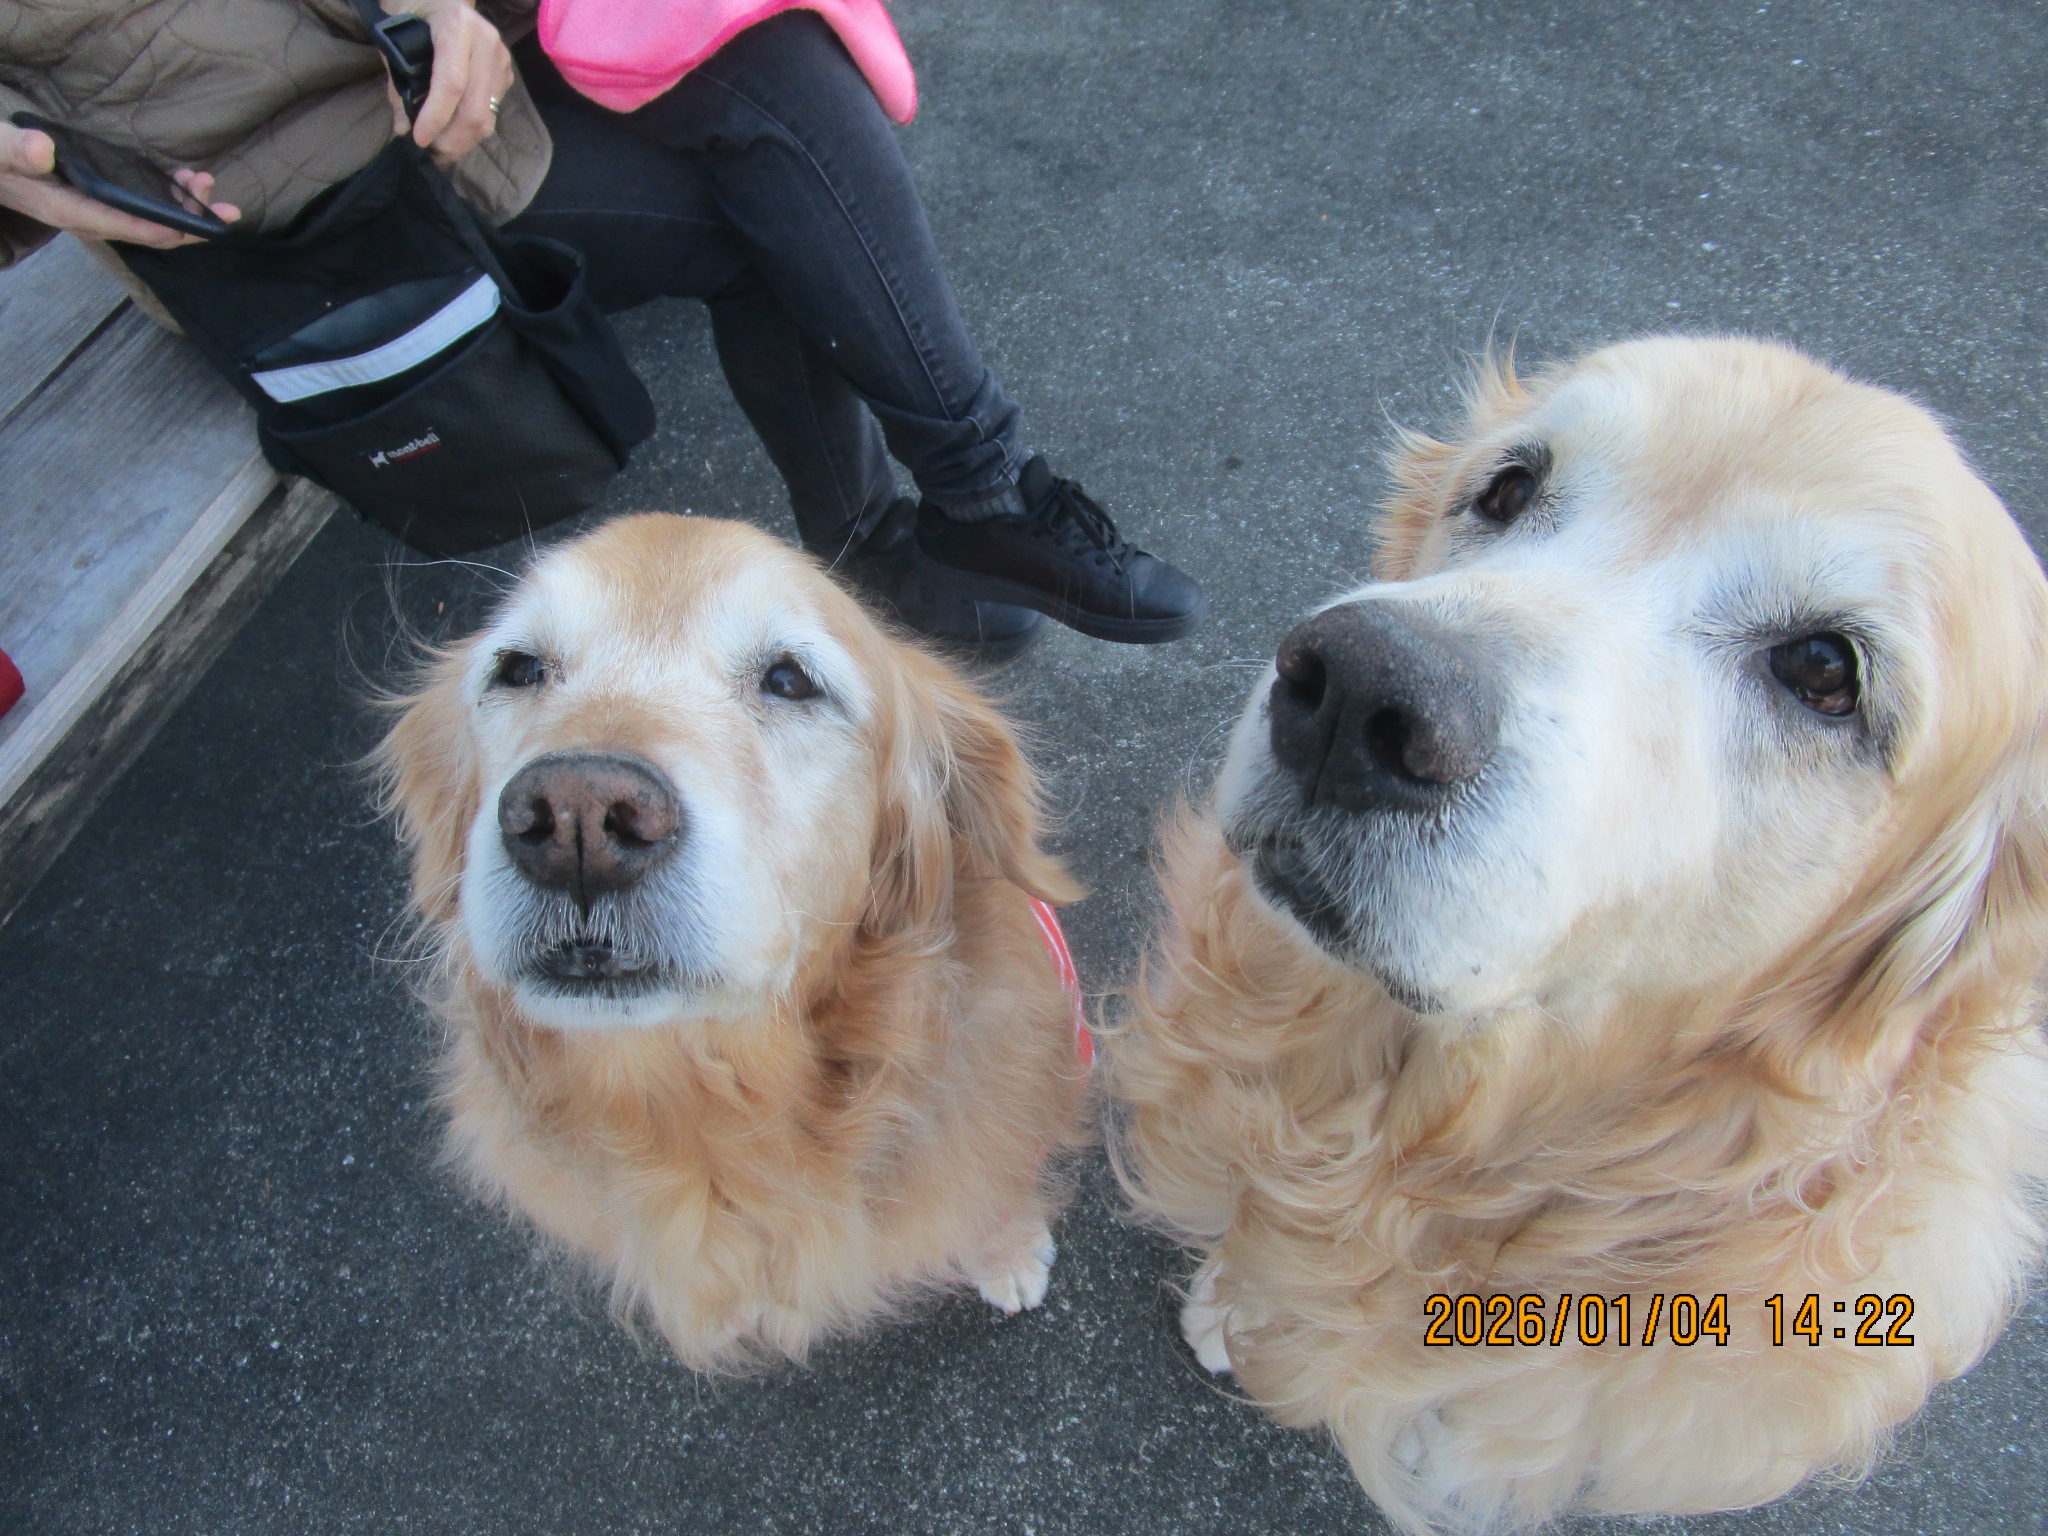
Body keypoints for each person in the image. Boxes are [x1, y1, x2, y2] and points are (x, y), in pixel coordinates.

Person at [0, 0, 1205, 652]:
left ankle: (970, 498)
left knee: (766, 45)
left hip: (478, 43)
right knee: (767, 225)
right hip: (323, 189)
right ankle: (908, 532)